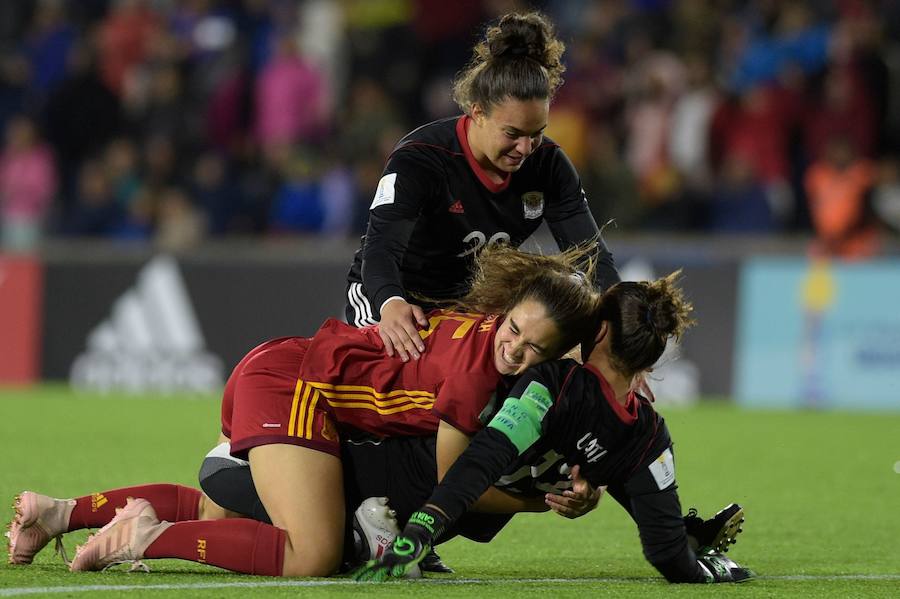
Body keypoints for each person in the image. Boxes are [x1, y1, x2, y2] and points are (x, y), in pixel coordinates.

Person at [8, 245, 603, 577]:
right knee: (310, 554)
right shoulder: (480, 372)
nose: (515, 349)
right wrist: (536, 503)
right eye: (516, 329)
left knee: (222, 507)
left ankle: (59, 514)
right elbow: (453, 484)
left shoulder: (483, 334)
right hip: (294, 386)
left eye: (534, 348)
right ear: (510, 307)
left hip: (285, 370)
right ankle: (144, 537)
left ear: (557, 353)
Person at [354, 273, 755, 583]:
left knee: (326, 557)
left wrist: (421, 532)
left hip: (400, 492)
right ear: (648, 363)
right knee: (315, 557)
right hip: (379, 474)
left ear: (596, 331)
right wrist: (715, 568)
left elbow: (483, 461)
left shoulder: (553, 384)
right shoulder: (648, 437)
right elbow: (670, 557)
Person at [345, 11, 620, 365]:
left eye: (536, 134)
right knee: (399, 385)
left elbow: (591, 255)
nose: (525, 149)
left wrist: (619, 325)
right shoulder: (422, 159)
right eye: (512, 134)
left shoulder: (548, 164)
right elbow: (381, 250)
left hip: (470, 307)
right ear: (477, 112)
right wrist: (390, 303)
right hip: (394, 297)